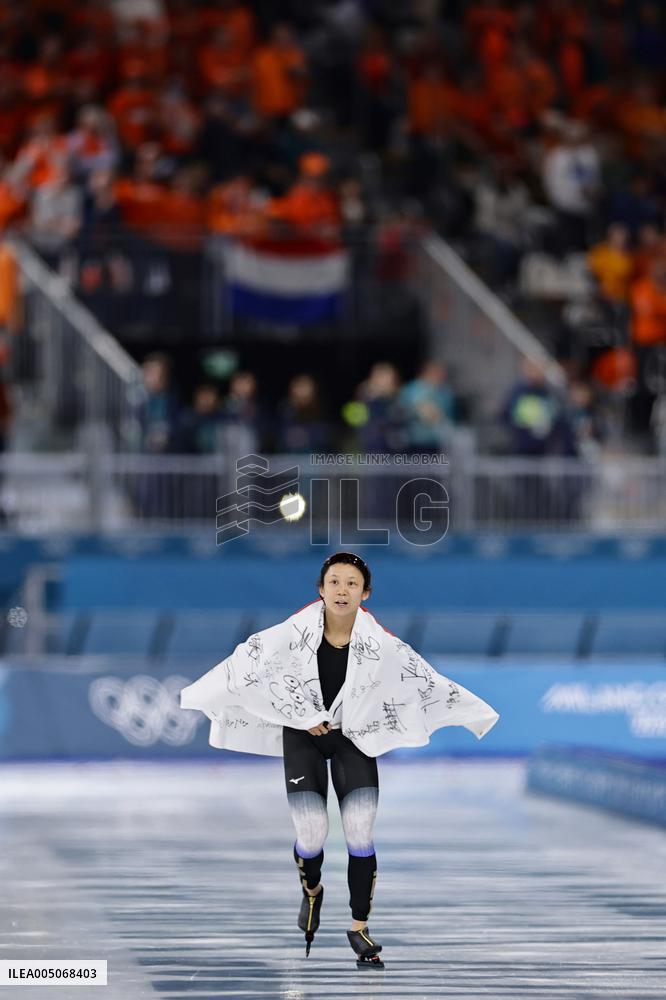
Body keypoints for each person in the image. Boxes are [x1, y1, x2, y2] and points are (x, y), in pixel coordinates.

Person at [180, 551, 499, 968]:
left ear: (365, 593)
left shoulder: (382, 645)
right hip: (303, 736)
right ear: (321, 589)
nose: (342, 589)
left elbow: (427, 681)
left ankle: (359, 926)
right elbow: (247, 661)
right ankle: (311, 891)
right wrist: (296, 713)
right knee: (311, 833)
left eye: (351, 583)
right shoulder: (291, 633)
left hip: (353, 738)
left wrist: (473, 713)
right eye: (334, 581)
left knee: (359, 831)